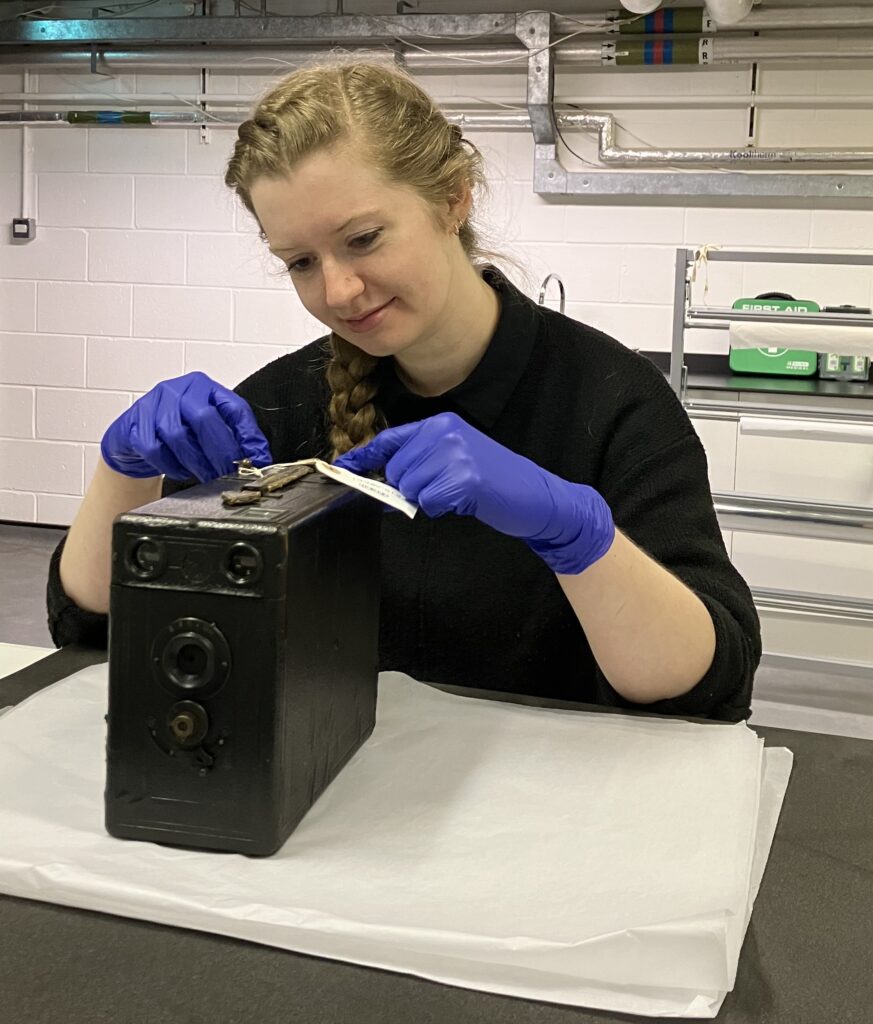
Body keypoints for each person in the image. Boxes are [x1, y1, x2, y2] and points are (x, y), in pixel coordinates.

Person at [48, 57, 761, 721]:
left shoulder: (610, 401)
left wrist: (577, 537)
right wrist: (122, 474)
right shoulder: (279, 408)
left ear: (452, 200)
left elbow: (708, 682)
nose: (337, 290)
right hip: (331, 800)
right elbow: (98, 631)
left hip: (544, 812)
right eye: (299, 261)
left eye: (362, 239)